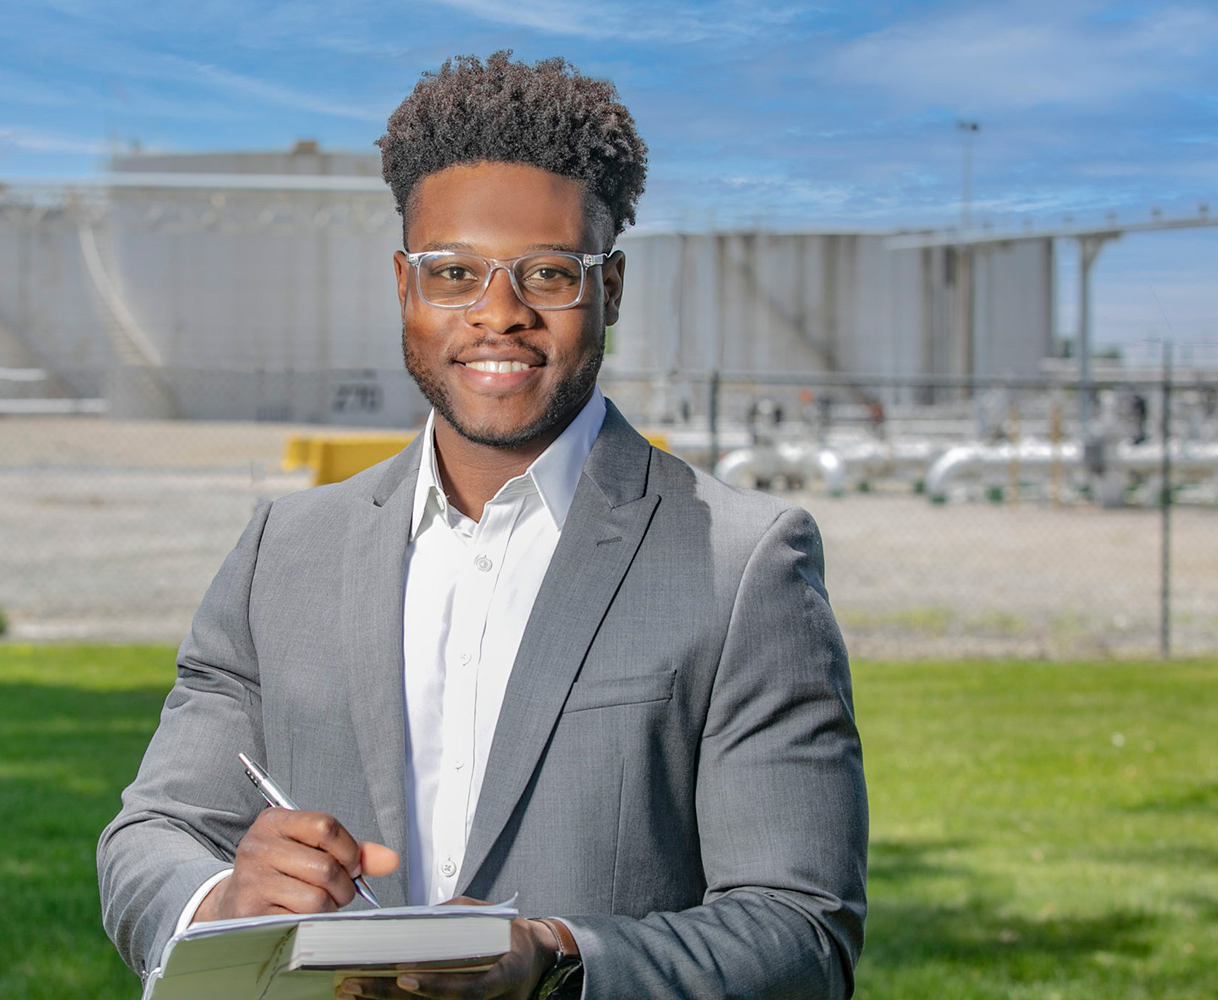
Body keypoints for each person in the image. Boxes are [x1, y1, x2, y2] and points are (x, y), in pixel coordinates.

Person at [98, 52, 867, 1000]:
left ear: (610, 288)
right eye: (453, 272)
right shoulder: (282, 552)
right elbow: (149, 836)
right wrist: (222, 898)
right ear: (404, 285)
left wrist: (558, 955)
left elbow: (801, 934)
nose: (497, 315)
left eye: (547, 273)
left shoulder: (742, 564)